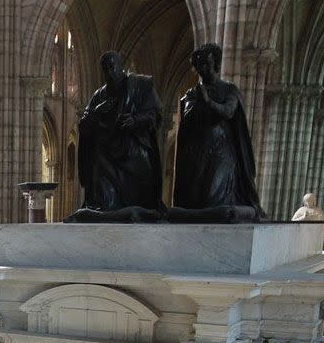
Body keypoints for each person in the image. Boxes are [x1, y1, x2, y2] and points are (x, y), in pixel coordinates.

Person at [172, 42, 264, 221]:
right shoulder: (192, 93)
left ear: (216, 64)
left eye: (207, 64)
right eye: (200, 66)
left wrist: (207, 102)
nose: (203, 69)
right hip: (198, 152)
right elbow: (188, 117)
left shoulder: (229, 90)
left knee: (213, 196)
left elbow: (228, 111)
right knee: (195, 198)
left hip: (222, 152)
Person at [68, 50, 163, 221]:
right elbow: (84, 123)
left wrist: (135, 120)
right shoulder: (100, 95)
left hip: (134, 153)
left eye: (112, 67)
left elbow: (156, 115)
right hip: (105, 158)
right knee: (104, 203)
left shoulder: (140, 85)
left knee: (141, 198)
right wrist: (96, 113)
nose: (110, 73)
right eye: (106, 69)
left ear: (121, 67)